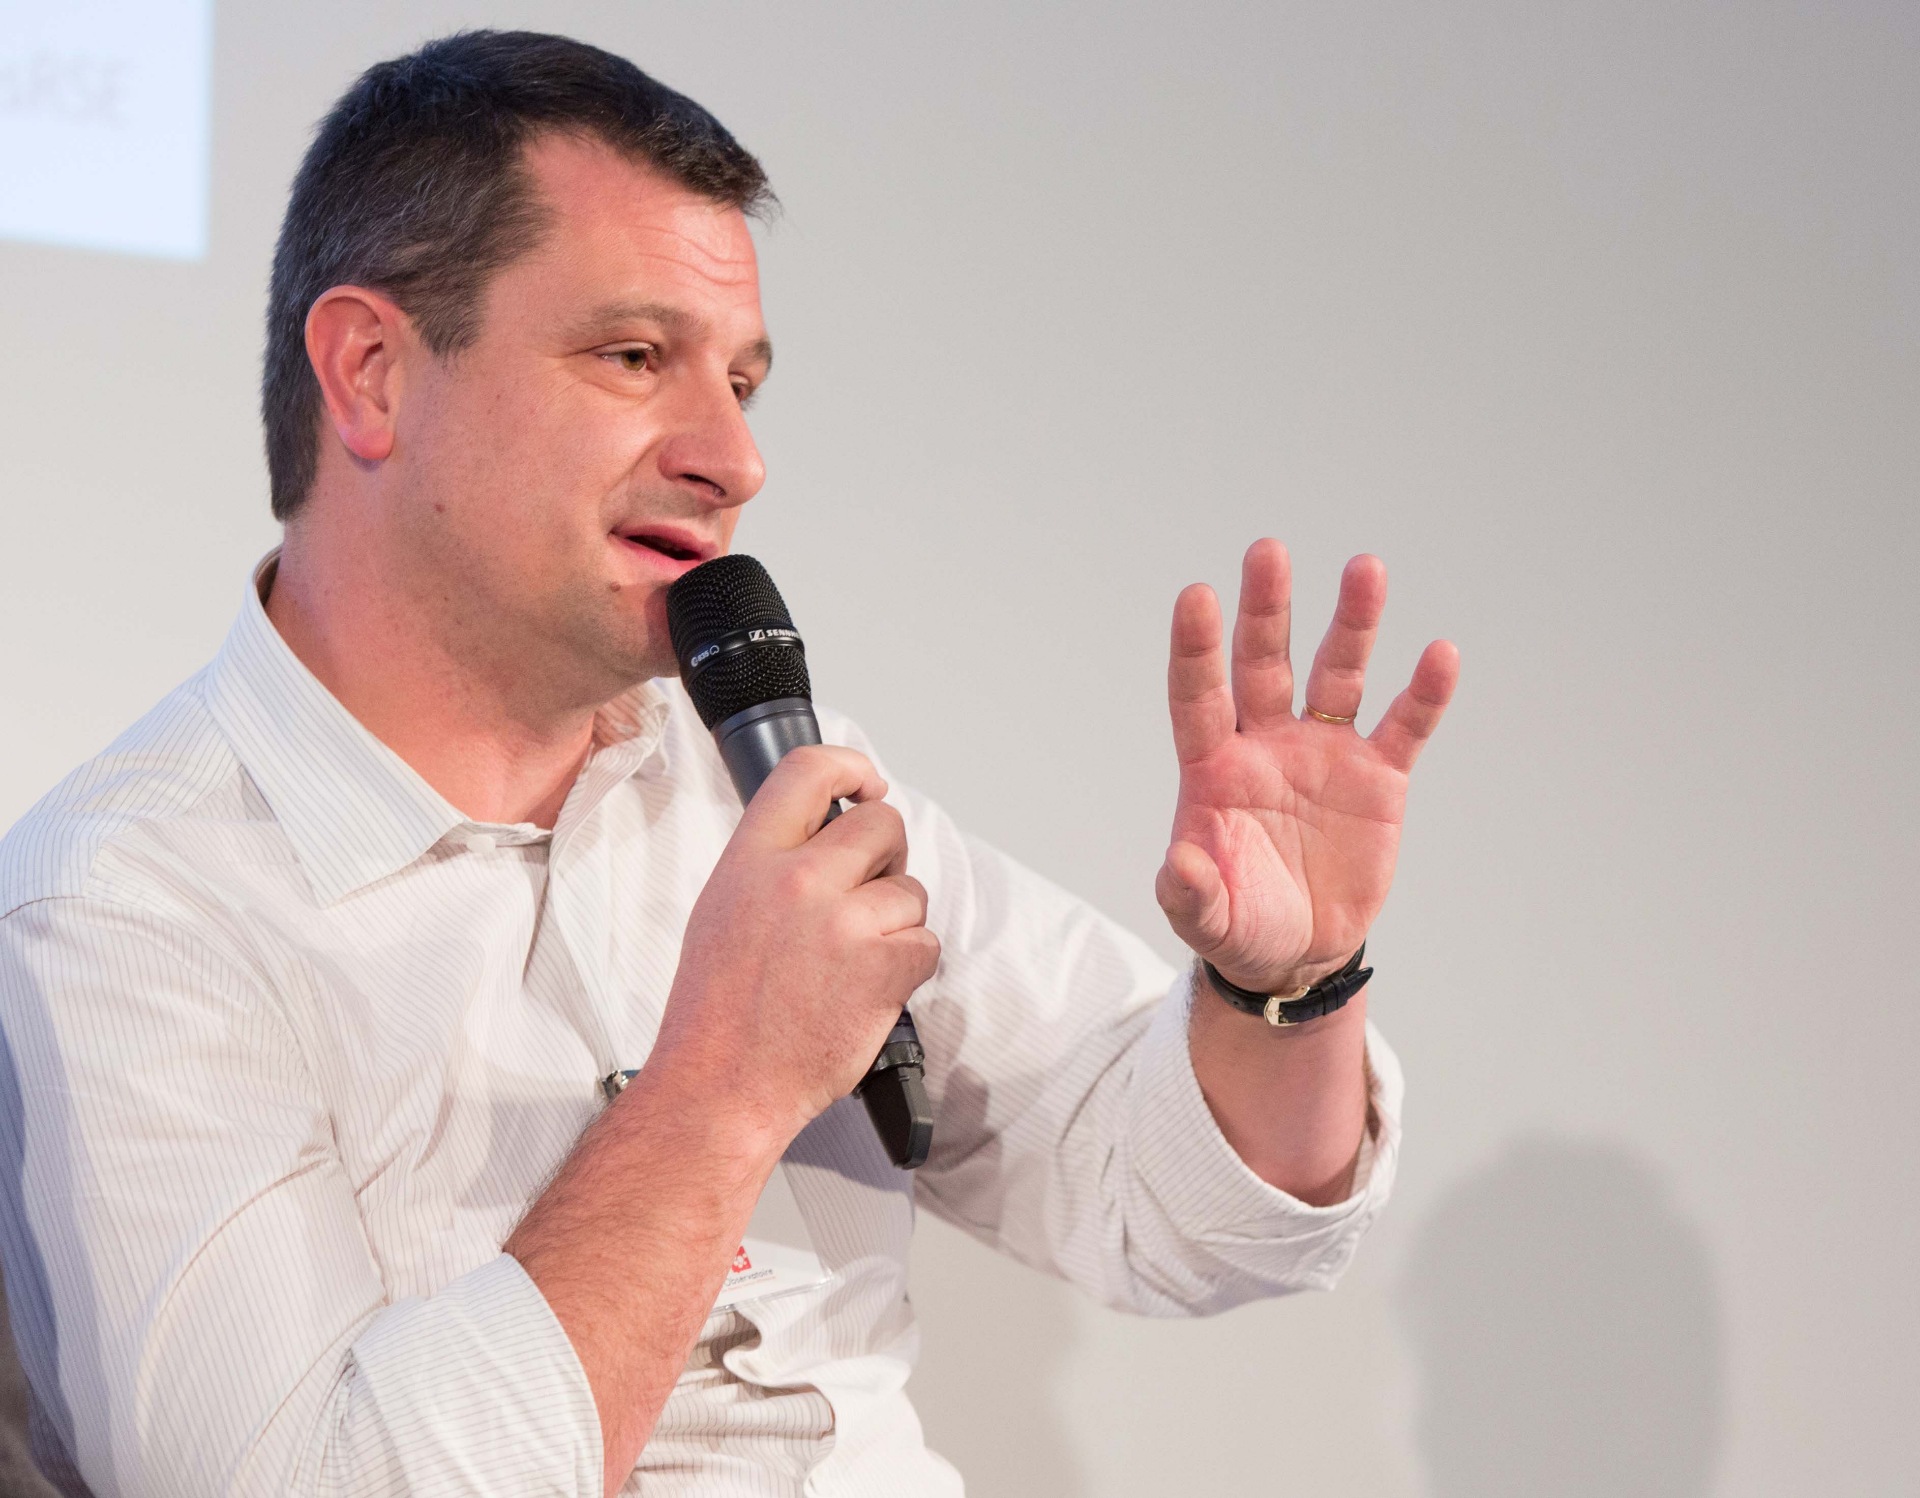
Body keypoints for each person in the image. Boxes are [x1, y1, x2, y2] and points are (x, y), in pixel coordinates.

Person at [0, 29, 1458, 1498]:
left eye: (744, 383)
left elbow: (1176, 1210)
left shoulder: (759, 776)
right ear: (371, 374)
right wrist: (722, 1084)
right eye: (634, 357)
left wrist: (1285, 988)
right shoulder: (131, 904)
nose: (735, 459)